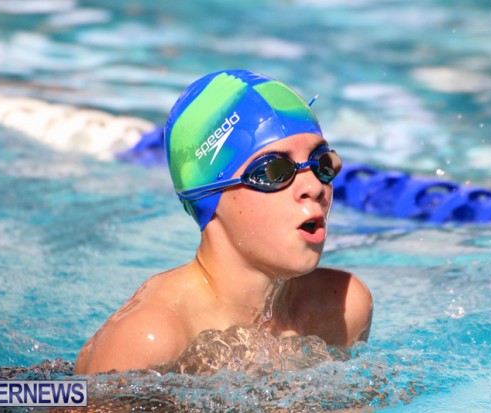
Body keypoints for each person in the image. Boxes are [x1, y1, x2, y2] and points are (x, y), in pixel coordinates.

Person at [74, 70, 373, 375]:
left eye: (321, 163)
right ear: (208, 195)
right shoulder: (151, 339)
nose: (314, 186)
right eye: (274, 171)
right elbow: (60, 399)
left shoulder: (341, 309)